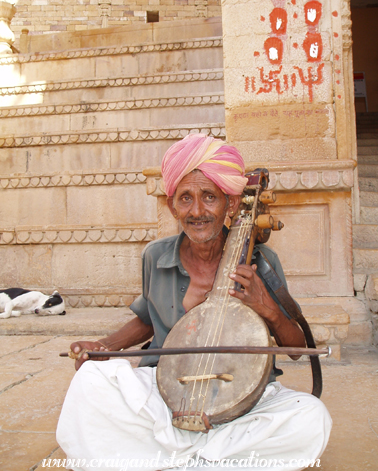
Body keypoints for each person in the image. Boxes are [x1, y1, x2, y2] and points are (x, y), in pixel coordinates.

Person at [57, 134, 332, 471]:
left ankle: (166, 455)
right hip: (165, 390)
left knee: (311, 418)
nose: (197, 211)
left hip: (244, 400)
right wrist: (103, 346)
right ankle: (215, 457)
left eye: (209, 197)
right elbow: (148, 319)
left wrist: (269, 309)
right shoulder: (156, 256)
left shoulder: (264, 262)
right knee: (91, 383)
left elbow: (295, 348)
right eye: (185, 198)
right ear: (172, 205)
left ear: (230, 205)